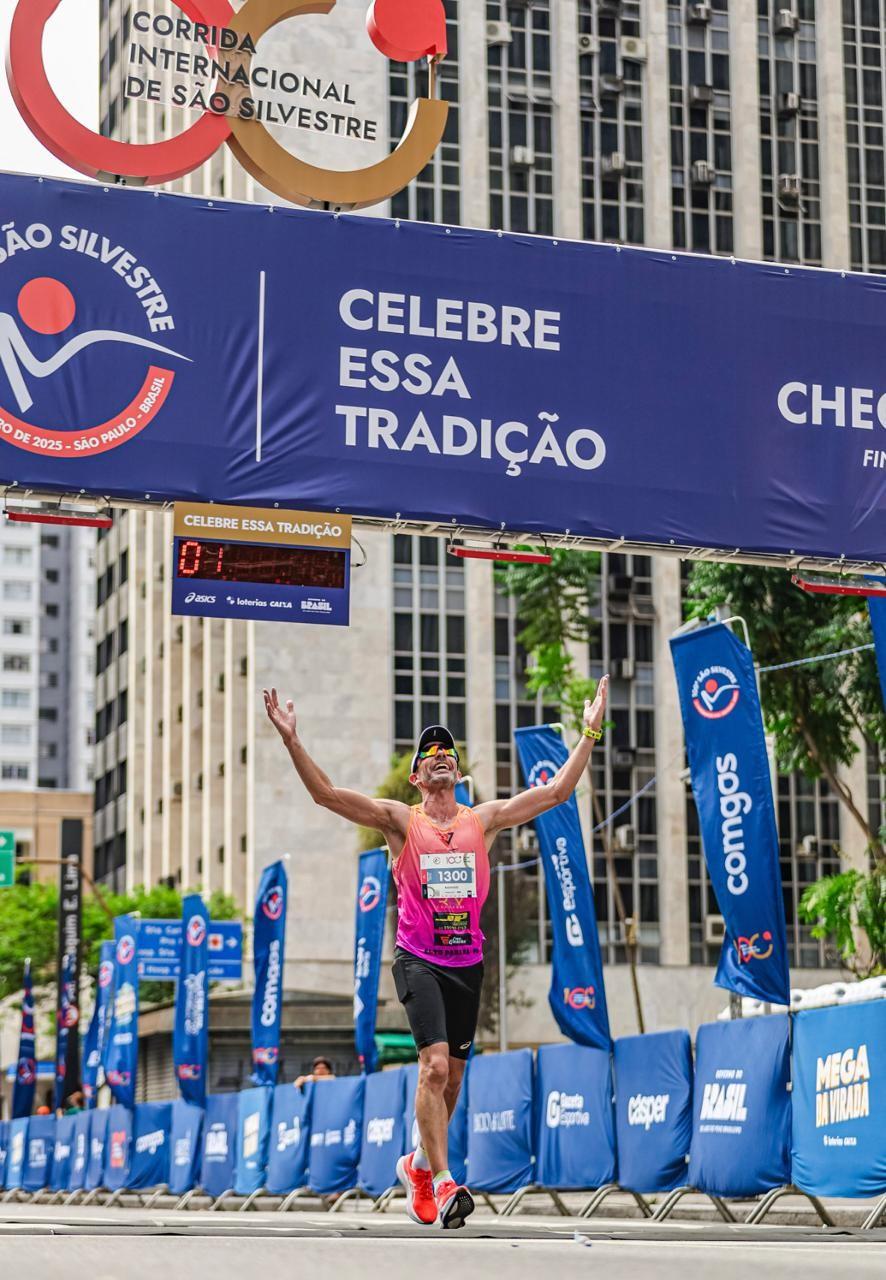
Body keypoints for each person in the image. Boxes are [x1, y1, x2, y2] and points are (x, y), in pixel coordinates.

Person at [264, 676, 608, 1229]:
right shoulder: (401, 821)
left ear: (457, 771)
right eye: (430, 753)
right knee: (433, 1065)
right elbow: (326, 796)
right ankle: (447, 1184)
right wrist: (292, 740)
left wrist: (590, 729)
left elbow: (555, 794)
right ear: (416, 775)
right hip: (418, 958)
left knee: (451, 1083)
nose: (441, 757)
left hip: (467, 965)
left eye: (449, 752)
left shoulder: (483, 819)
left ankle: (419, 1164)